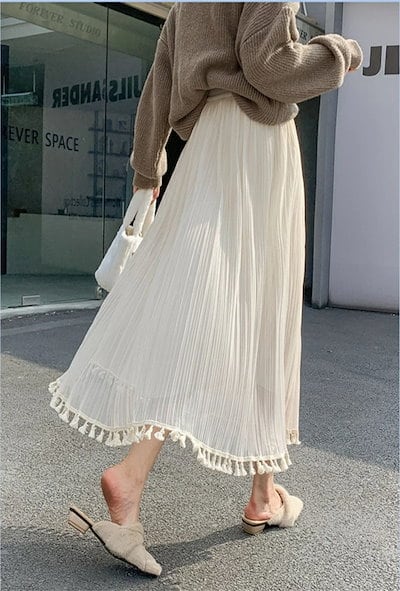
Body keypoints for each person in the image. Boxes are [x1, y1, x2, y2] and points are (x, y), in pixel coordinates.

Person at [49, 2, 362, 577]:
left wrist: (148, 173)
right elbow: (270, 66)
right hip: (257, 149)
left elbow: (159, 85)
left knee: (216, 305)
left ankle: (261, 492)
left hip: (208, 148)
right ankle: (134, 477)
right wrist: (339, 54)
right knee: (249, 311)